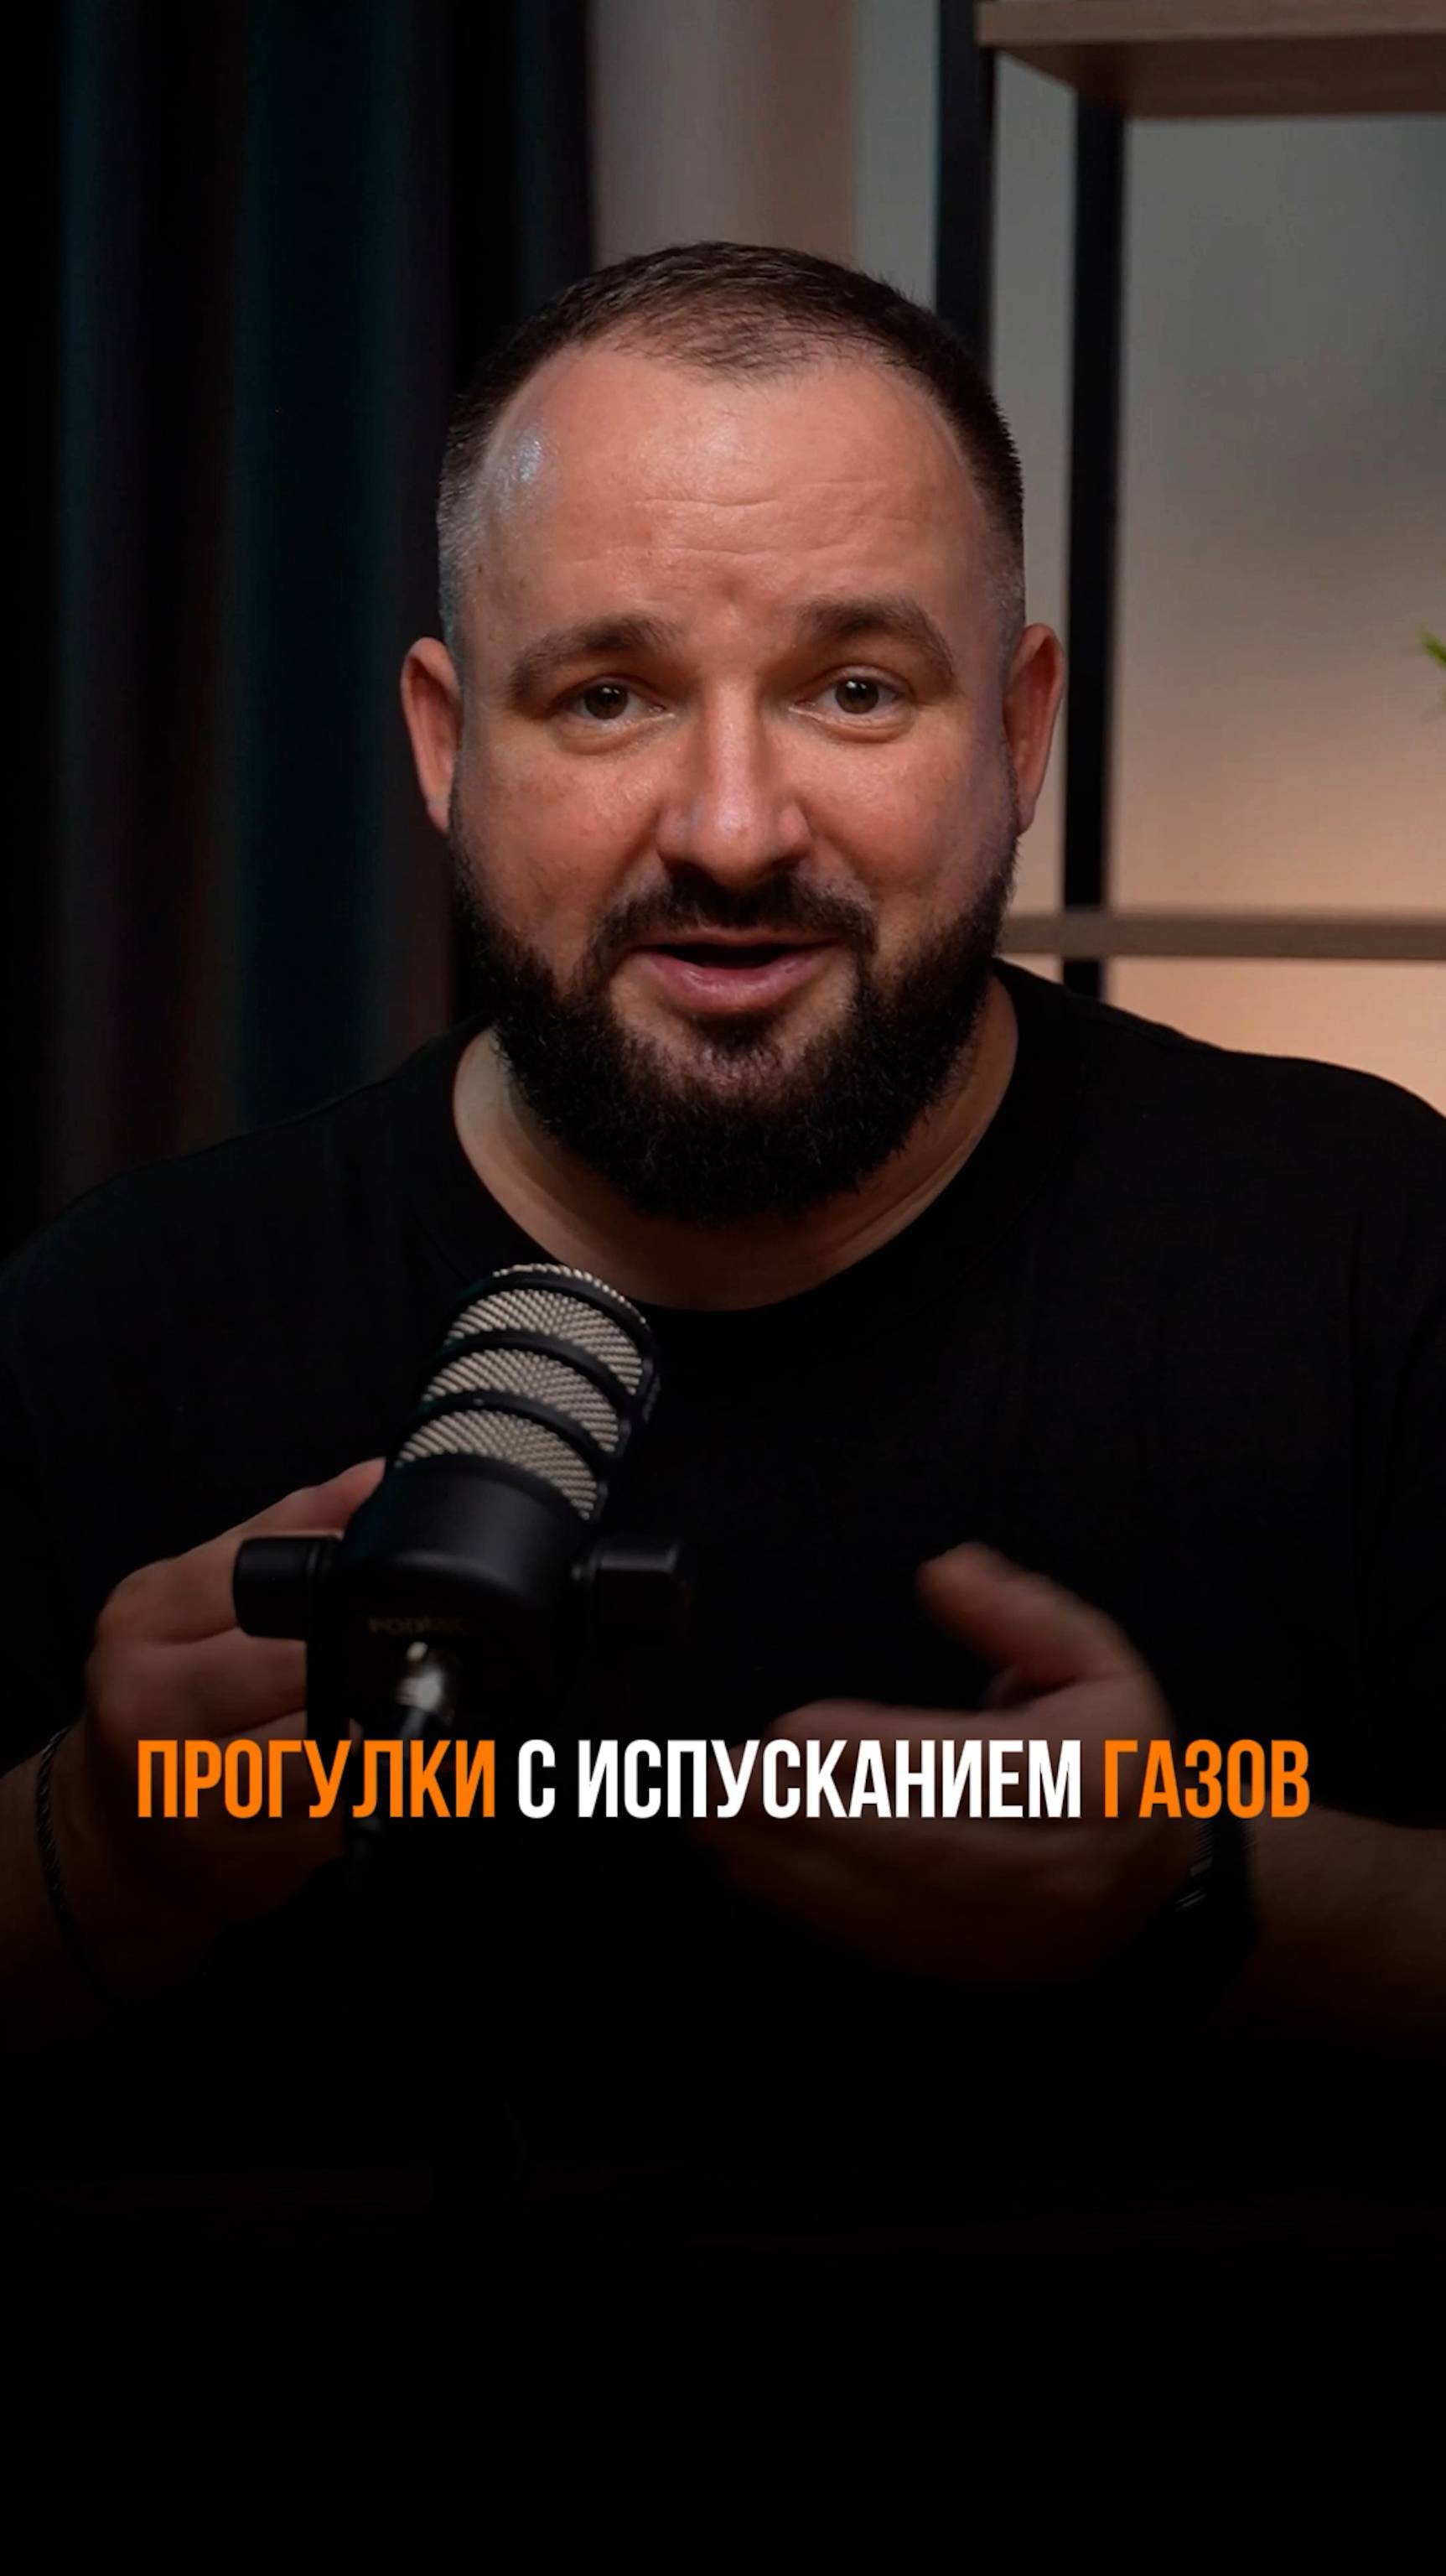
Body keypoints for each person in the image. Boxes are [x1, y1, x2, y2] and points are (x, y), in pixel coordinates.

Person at [1, 243, 1442, 2262]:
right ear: (446, 745)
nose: (735, 828)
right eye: (606, 696)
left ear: (1017, 725)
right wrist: (98, 1843)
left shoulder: (1362, 1251)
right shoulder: (128, 1319)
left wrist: (1205, 1882)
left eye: (854, 690)